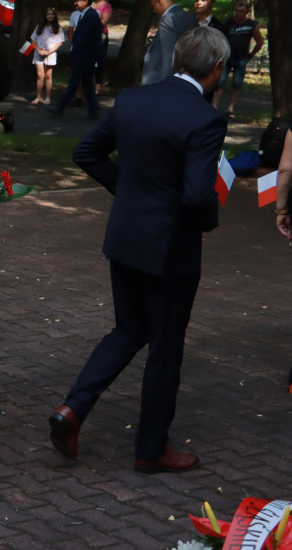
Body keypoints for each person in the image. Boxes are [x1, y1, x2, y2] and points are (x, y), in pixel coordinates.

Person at [48, 26, 229, 474]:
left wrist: (127, 193)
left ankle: (72, 410)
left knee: (128, 330)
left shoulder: (132, 100)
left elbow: (86, 153)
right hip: (171, 248)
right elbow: (198, 197)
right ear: (217, 69)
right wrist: (206, 224)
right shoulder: (205, 118)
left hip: (126, 236)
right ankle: (151, 449)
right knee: (165, 347)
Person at [47, 0, 104, 119]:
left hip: (85, 56)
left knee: (74, 82)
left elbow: (83, 37)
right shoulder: (88, 15)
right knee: (87, 84)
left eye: (78, 1)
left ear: (86, 2)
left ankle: (60, 107)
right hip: (87, 55)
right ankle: (93, 111)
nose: (75, 3)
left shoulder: (90, 16)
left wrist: (75, 51)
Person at [214, 1, 264, 119]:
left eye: (241, 11)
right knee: (220, 82)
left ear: (247, 12)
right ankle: (214, 106)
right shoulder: (228, 23)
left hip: (241, 58)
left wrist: (251, 54)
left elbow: (260, 41)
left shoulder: (252, 25)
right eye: (236, 10)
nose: (238, 13)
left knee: (237, 84)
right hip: (226, 57)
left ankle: (230, 108)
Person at [142, 0, 197, 85]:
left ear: (160, 2)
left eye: (154, 6)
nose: (154, 11)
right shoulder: (190, 17)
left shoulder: (167, 20)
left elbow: (168, 54)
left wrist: (167, 83)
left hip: (160, 77)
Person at [29, 8, 65, 105]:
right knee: (40, 75)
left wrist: (49, 51)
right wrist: (38, 50)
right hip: (39, 53)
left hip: (50, 54)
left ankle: (48, 98)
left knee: (48, 75)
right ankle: (38, 97)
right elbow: (33, 40)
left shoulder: (58, 28)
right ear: (45, 16)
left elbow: (59, 43)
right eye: (48, 14)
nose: (50, 16)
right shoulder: (39, 27)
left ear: (55, 16)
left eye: (52, 14)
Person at [91, 0, 113, 96]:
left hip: (100, 36)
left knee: (99, 61)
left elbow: (103, 21)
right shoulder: (91, 6)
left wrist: (89, 26)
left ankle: (97, 88)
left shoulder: (107, 6)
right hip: (88, 36)